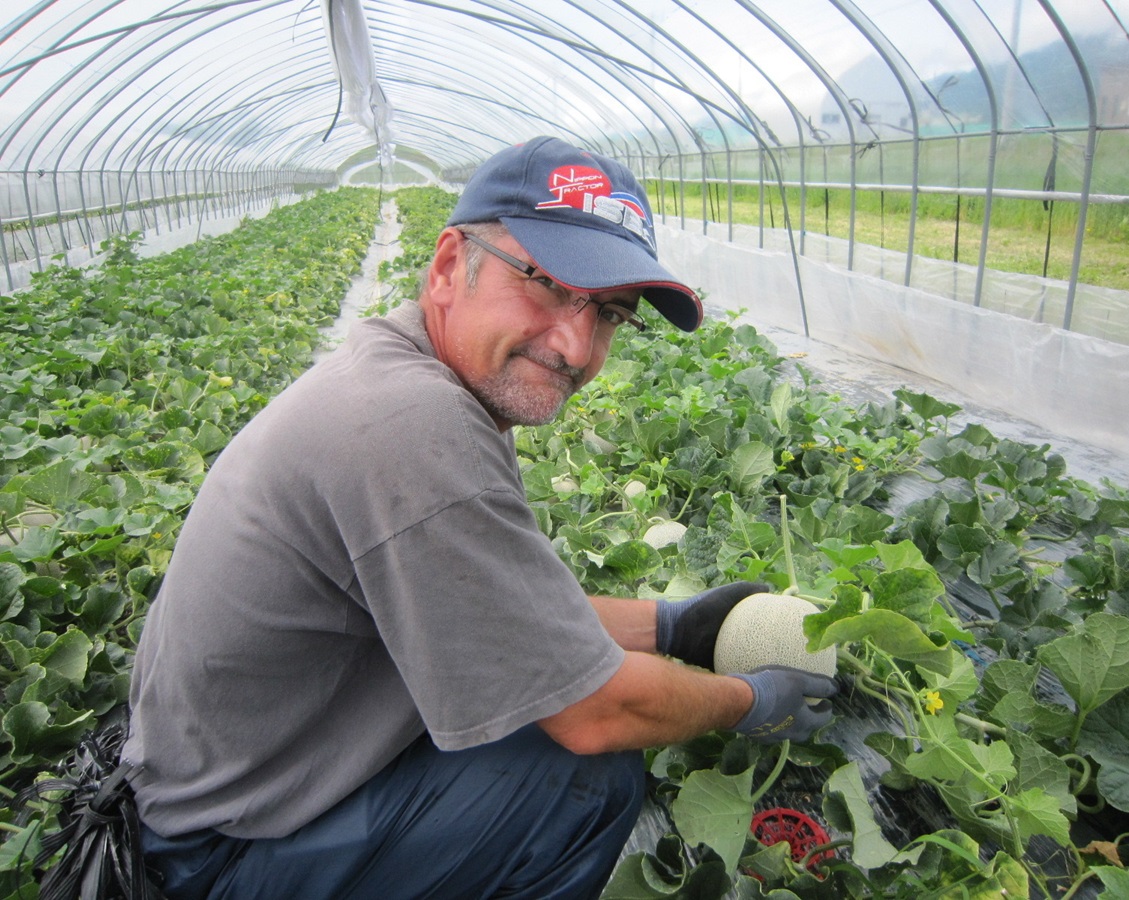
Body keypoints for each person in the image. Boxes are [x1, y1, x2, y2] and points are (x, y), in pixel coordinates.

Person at [121, 136, 838, 899]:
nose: (576, 344)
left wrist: (672, 625)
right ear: (446, 267)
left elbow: (509, 622)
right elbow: (593, 714)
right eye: (545, 283)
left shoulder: (397, 370)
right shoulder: (409, 426)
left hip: (227, 800)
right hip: (216, 857)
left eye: (608, 316)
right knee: (582, 777)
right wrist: (751, 702)